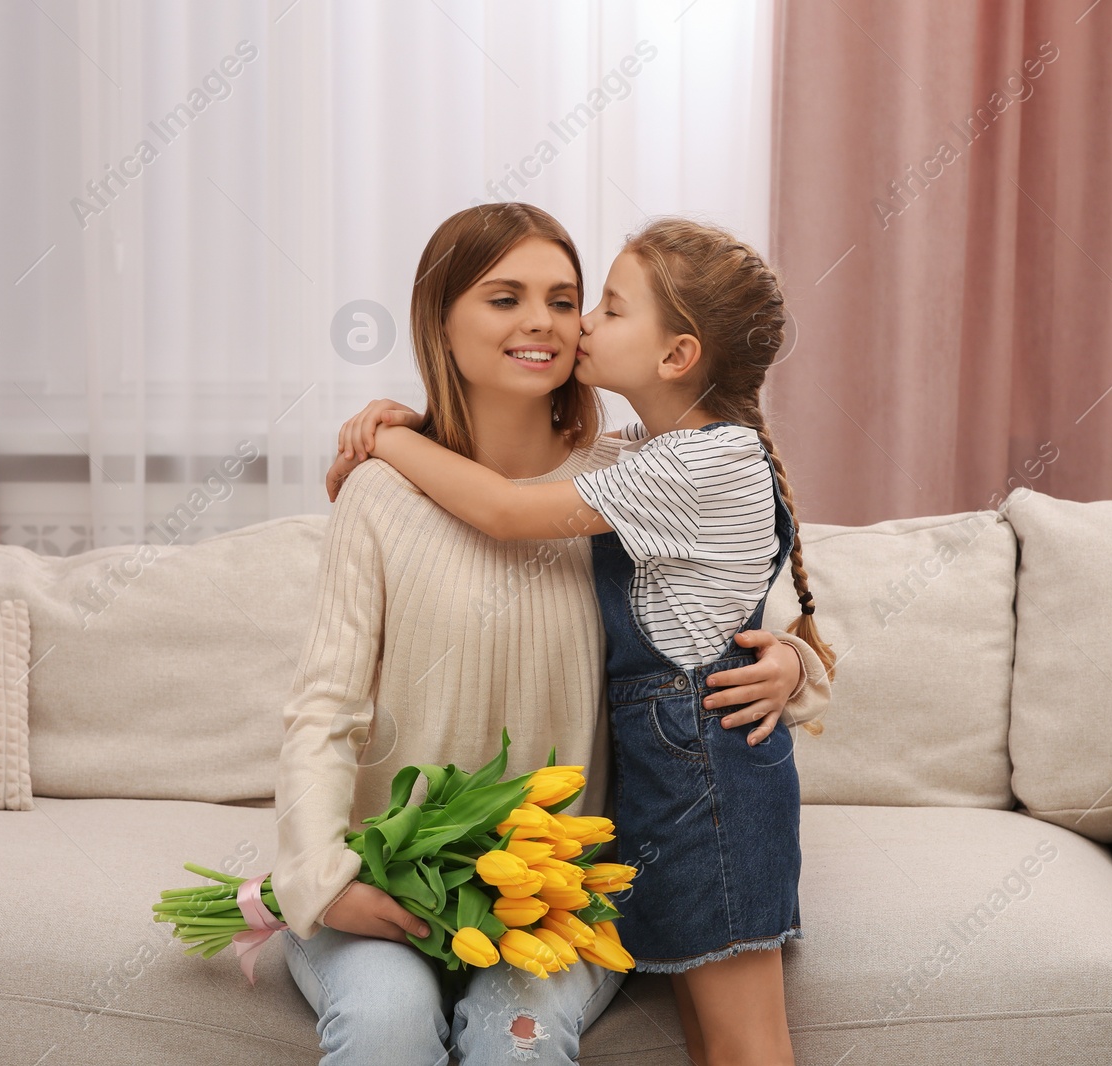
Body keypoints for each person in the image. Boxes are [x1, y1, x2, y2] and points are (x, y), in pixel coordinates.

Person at [272, 203, 832, 1066]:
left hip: (559, 891)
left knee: (516, 1042)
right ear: (441, 323)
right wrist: (321, 878)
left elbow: (762, 602)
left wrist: (793, 665)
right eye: (503, 298)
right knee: (384, 1027)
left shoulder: (627, 475)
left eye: (571, 300)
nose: (544, 320)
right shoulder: (380, 496)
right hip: (388, 877)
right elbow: (323, 711)